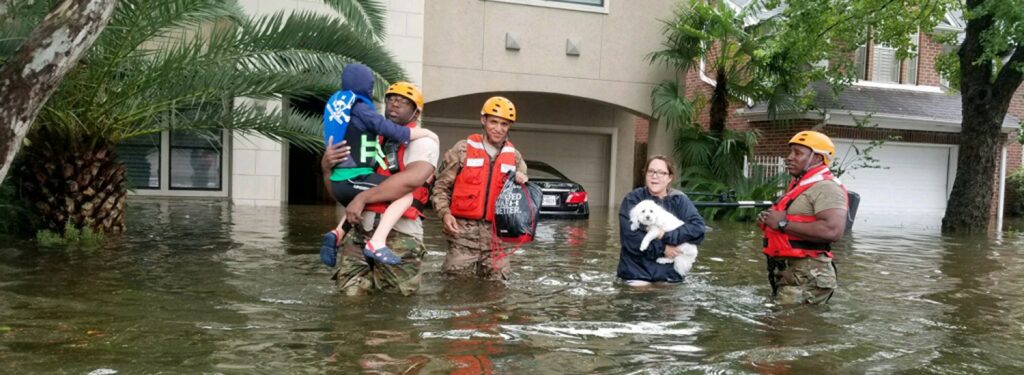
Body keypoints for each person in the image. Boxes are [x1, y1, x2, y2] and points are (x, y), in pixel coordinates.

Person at [322, 81, 439, 295]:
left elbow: (411, 180)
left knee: (393, 309)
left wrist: (363, 197)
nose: (395, 105)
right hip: (359, 231)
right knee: (348, 304)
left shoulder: (424, 141)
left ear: (416, 112)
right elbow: (339, 194)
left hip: (400, 234)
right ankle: (338, 234)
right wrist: (327, 169)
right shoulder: (369, 138)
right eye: (391, 100)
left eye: (403, 102)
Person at [431, 96, 529, 281]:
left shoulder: (515, 158)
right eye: (494, 122)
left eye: (504, 124)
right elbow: (441, 187)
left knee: (497, 293)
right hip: (462, 236)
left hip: (497, 240)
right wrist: (445, 213)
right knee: (453, 288)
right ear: (483, 120)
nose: (498, 129)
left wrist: (521, 180)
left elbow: (522, 200)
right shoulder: (462, 150)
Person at [756, 130, 848, 305]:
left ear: (818, 158)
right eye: (790, 152)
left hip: (809, 275)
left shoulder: (827, 188)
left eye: (798, 153)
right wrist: (768, 220)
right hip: (791, 273)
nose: (789, 157)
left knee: (786, 329)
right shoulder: (801, 185)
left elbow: (833, 230)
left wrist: (782, 223)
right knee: (777, 328)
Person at [617, 155, 706, 286]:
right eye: (651, 171)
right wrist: (663, 249)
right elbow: (629, 239)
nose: (655, 176)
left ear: (669, 177)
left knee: (670, 299)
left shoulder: (680, 200)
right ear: (645, 174)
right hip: (636, 272)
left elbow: (698, 229)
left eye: (661, 173)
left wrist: (666, 235)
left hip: (669, 276)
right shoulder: (633, 199)